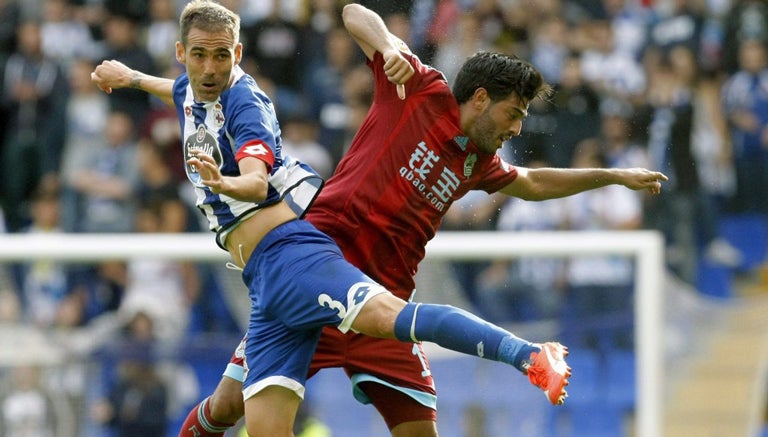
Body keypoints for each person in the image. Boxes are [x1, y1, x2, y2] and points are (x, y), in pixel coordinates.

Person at [88, 2, 634, 435]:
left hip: (366, 291)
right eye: (514, 114)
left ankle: (531, 356)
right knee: (229, 405)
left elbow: (533, 182)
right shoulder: (421, 89)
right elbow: (353, 13)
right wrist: (389, 44)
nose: (517, 129)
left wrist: (609, 176)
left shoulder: (478, 161)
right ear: (483, 98)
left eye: (219, 57)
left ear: (234, 54)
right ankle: (529, 356)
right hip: (319, 265)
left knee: (417, 429)